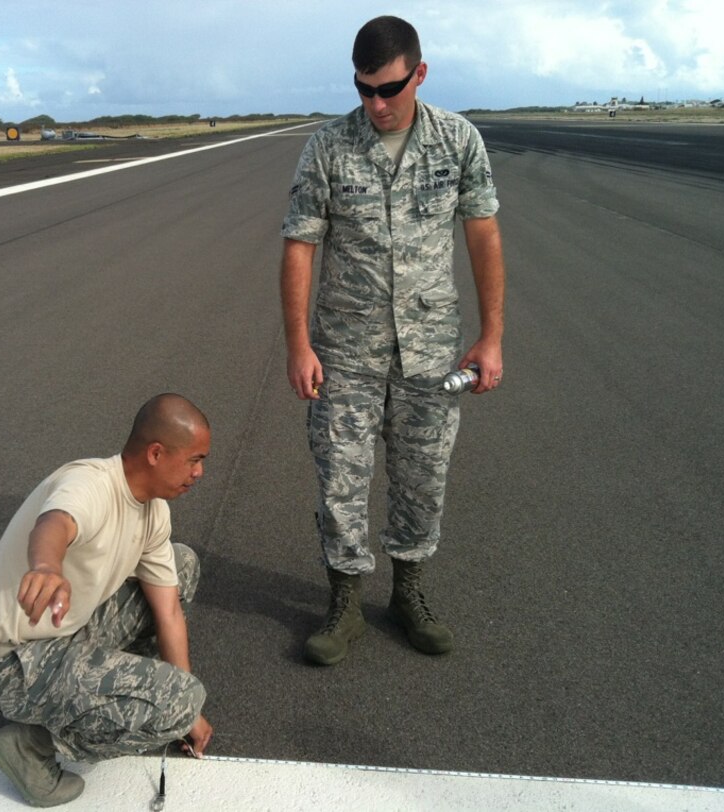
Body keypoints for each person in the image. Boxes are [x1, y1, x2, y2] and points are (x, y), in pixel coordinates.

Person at [280, 15, 505, 666]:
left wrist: (491, 337)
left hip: (430, 350)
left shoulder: (457, 141)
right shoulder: (328, 147)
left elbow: (483, 234)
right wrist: (298, 344)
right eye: (364, 89)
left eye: (391, 88)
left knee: (422, 477)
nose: (377, 103)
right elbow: (299, 245)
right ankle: (345, 603)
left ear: (420, 74)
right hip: (345, 348)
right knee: (340, 478)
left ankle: (409, 594)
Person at [0, 393, 215, 806]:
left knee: (181, 564)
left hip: (67, 637)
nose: (199, 472)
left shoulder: (153, 511)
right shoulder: (91, 483)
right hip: (13, 663)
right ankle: (32, 745)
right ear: (156, 453)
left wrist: (183, 711)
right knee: (179, 700)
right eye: (194, 459)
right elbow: (55, 523)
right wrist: (46, 567)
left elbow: (168, 611)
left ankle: (122, 696)